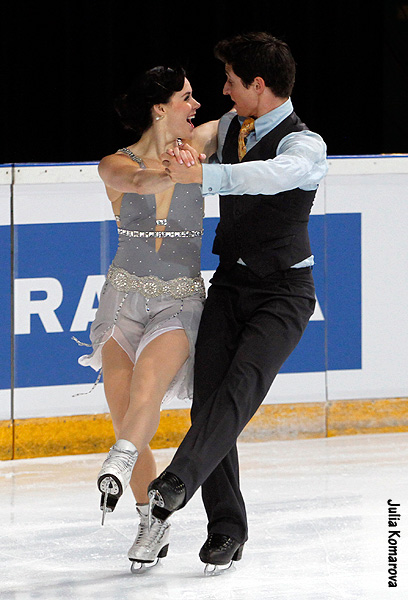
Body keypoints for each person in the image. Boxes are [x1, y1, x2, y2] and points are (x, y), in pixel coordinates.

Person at [147, 32, 328, 573]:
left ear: (258, 84)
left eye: (230, 81)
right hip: (230, 284)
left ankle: (177, 480)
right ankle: (226, 528)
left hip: (284, 293)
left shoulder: (305, 145)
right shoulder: (230, 126)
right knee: (209, 400)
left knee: (239, 389)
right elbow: (191, 139)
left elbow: (267, 177)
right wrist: (176, 146)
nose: (223, 90)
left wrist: (202, 175)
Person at [77, 64, 217, 571]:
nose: (195, 105)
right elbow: (136, 179)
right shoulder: (115, 163)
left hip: (178, 298)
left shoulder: (200, 143)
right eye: (186, 96)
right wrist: (177, 168)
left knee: (145, 395)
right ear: (160, 108)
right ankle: (150, 519)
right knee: (124, 414)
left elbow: (245, 120)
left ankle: (119, 459)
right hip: (123, 299)